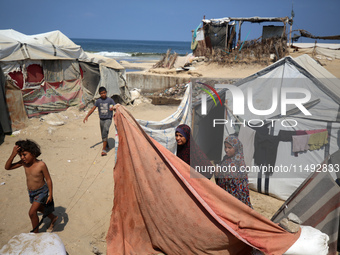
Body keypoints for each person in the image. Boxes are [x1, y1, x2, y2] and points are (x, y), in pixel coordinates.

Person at [4, 139, 58, 233]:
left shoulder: (41, 165)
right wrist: (13, 155)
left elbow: (48, 179)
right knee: (40, 208)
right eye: (20, 155)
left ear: (33, 153)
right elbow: (7, 167)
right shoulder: (24, 163)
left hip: (42, 191)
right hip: (31, 192)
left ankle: (35, 233)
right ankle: (53, 217)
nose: (22, 157)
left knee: (32, 213)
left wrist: (50, 194)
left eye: (24, 154)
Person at [215, 136, 252, 208]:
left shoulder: (239, 163)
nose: (226, 150)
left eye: (229, 148)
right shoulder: (225, 159)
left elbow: (241, 189)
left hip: (235, 200)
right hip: (223, 197)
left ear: (236, 148)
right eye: (225, 147)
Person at [83, 87, 115, 156]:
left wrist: (114, 109)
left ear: (106, 92)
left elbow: (115, 108)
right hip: (101, 120)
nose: (103, 94)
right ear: (99, 94)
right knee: (103, 134)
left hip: (108, 119)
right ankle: (107, 145)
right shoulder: (98, 101)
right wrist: (87, 116)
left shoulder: (110, 100)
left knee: (105, 130)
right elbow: (92, 109)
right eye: (101, 93)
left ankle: (104, 149)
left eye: (104, 93)